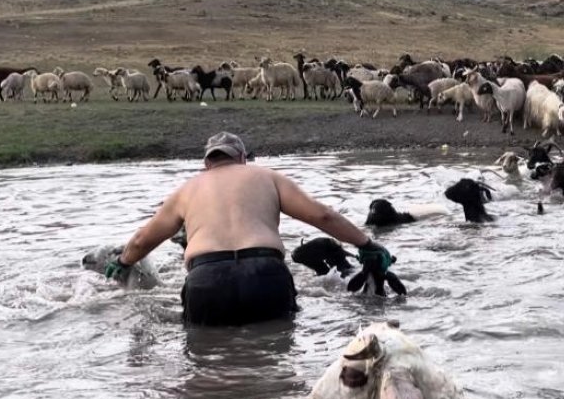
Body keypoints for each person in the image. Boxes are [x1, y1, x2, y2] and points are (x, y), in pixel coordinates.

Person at [105, 132, 395, 327]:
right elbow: (323, 216)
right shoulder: (266, 177)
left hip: (207, 283)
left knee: (206, 361)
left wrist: (122, 263)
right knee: (275, 356)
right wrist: (366, 244)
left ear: (207, 163)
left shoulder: (188, 190)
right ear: (243, 157)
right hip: (265, 276)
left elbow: (143, 240)